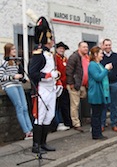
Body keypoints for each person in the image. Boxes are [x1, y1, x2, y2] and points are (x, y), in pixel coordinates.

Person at [29, 16, 61, 153]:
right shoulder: (38, 54)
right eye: (50, 38)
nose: (53, 40)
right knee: (40, 117)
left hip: (51, 88)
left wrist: (56, 79)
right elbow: (32, 73)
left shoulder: (50, 54)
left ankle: (43, 143)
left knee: (49, 116)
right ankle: (36, 145)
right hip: (41, 89)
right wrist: (47, 76)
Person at [0, 43, 33, 140]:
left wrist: (22, 79)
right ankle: (26, 131)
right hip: (9, 86)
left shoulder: (15, 62)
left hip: (18, 85)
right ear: (8, 51)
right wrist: (13, 77)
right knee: (19, 106)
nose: (15, 51)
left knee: (25, 107)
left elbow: (17, 75)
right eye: (13, 49)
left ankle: (30, 129)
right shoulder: (4, 62)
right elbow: (1, 77)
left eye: (15, 49)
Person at [88, 46, 112, 140]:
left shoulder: (99, 64)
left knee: (99, 114)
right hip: (95, 93)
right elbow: (98, 77)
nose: (102, 55)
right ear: (95, 54)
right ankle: (96, 134)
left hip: (101, 92)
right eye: (101, 53)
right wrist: (106, 69)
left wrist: (107, 70)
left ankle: (98, 133)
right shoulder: (92, 65)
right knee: (96, 115)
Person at [66, 41, 89, 132]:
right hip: (75, 84)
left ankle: (81, 119)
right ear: (79, 48)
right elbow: (69, 71)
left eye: (86, 47)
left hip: (83, 84)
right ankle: (76, 123)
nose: (86, 49)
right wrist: (71, 83)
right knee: (74, 105)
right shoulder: (74, 57)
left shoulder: (86, 57)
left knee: (81, 102)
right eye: (84, 47)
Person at [100, 39, 117, 132]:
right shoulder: (101, 56)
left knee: (114, 104)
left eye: (109, 45)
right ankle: (102, 123)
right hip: (104, 84)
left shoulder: (115, 56)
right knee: (104, 104)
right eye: (106, 45)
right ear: (103, 46)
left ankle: (114, 122)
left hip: (114, 83)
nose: (108, 47)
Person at [55, 42, 72, 131]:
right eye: (60, 48)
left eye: (63, 49)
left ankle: (67, 122)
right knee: (59, 105)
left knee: (66, 104)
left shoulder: (65, 59)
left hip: (65, 85)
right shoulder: (55, 58)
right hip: (58, 85)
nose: (62, 50)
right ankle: (60, 122)